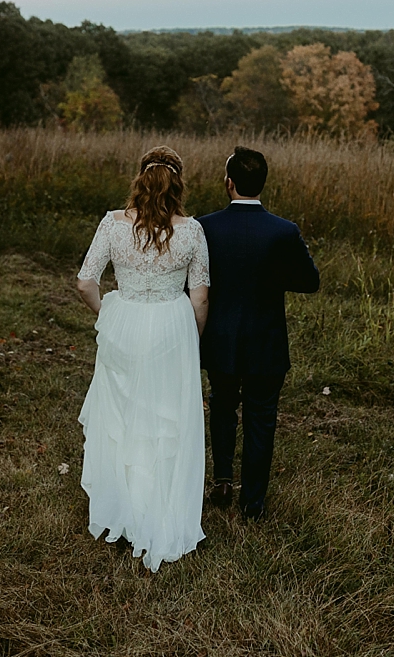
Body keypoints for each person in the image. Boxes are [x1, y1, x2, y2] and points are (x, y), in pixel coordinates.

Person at [74, 146, 210, 571]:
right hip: (172, 324)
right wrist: (192, 336)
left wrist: (108, 313)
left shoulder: (112, 223)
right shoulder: (192, 231)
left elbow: (84, 282)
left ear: (139, 178)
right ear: (178, 183)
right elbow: (200, 296)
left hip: (125, 321)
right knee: (166, 417)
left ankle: (123, 508)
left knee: (123, 414)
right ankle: (159, 507)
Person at [197, 146, 320, 520]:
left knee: (221, 405)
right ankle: (252, 501)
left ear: (229, 183)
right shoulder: (283, 231)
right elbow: (310, 281)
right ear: (261, 183)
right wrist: (270, 278)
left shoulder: (204, 226)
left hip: (219, 338)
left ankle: (221, 479)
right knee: (261, 416)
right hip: (265, 341)